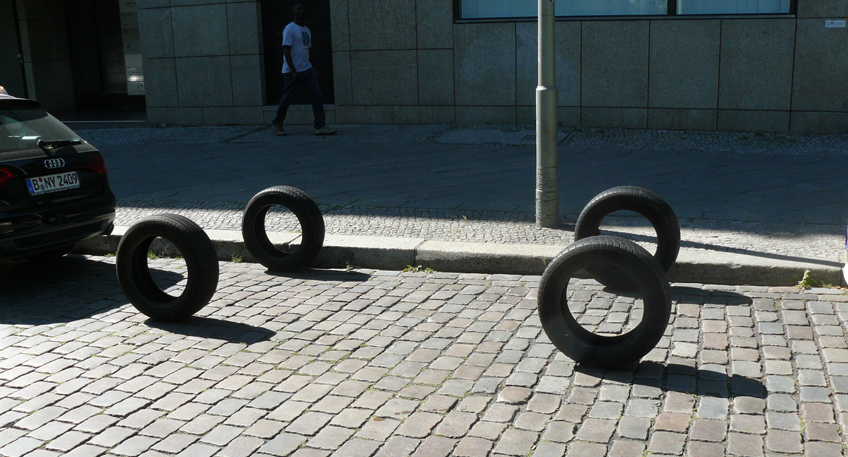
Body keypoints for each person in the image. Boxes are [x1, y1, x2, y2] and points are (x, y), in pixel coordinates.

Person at [271, 4, 336, 136]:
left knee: (316, 97)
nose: (302, 10)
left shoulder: (307, 30)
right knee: (287, 98)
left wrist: (307, 66)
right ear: (293, 12)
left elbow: (304, 50)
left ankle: (320, 126)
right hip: (292, 72)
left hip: (307, 69)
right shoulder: (290, 29)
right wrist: (294, 71)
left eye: (304, 8)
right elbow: (285, 50)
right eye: (299, 8)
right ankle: (277, 123)